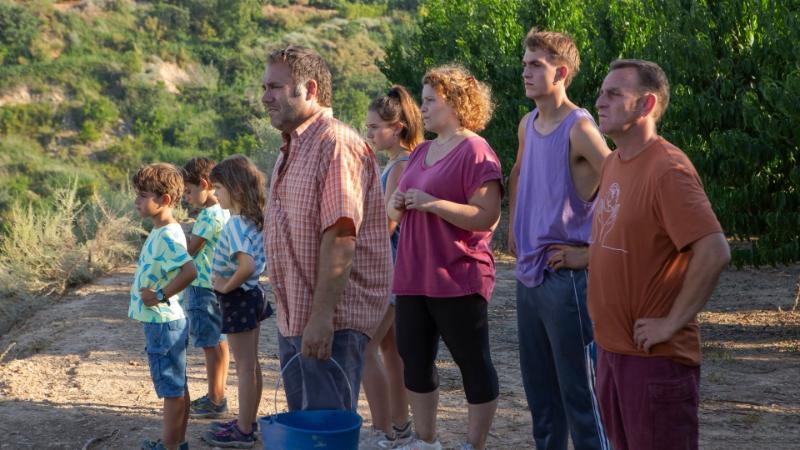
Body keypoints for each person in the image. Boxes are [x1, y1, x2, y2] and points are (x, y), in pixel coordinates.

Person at [589, 59, 731, 450]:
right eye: (601, 92)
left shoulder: (667, 169)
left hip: (655, 360)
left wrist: (670, 323)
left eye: (614, 94)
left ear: (646, 104)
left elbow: (714, 250)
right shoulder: (613, 162)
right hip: (611, 352)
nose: (600, 101)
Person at [261, 46, 391, 413]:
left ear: (310, 89)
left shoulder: (336, 144)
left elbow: (341, 237)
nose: (265, 97)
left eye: (275, 87)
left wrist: (321, 319)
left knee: (325, 428)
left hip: (331, 322)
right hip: (296, 318)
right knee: (306, 429)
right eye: (265, 88)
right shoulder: (292, 147)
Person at [387, 65, 502, 450]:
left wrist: (433, 203)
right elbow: (392, 210)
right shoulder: (421, 151)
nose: (422, 108)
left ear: (454, 102)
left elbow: (487, 216)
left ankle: (474, 444)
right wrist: (398, 202)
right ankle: (426, 441)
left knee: (473, 362)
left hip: (457, 276)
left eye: (429, 100)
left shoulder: (476, 150)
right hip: (412, 275)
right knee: (414, 359)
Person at [506, 29, 611, 450]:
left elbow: (624, 189)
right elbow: (518, 172)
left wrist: (590, 254)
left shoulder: (579, 128)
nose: (525, 72)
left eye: (536, 65)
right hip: (529, 274)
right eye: (524, 64)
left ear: (561, 72)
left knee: (581, 399)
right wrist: (515, 225)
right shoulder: (527, 124)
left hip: (566, 280)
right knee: (543, 403)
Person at [360, 85, 422, 449]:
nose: (369, 133)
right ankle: (399, 426)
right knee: (391, 351)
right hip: (397, 270)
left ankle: (382, 430)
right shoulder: (399, 161)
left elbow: (388, 223)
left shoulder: (401, 164)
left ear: (396, 127)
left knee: (363, 348)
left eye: (374, 127)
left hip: (389, 270)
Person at [201, 155, 269, 449]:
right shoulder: (253, 219)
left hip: (238, 298)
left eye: (218, 188)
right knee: (251, 365)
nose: (215, 194)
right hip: (251, 295)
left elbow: (247, 265)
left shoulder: (236, 224)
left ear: (236, 189)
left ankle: (243, 431)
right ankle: (248, 421)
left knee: (244, 368)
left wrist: (225, 287)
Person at [130, 163, 197, 450]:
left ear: (165, 200)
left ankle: (169, 446)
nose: (137, 201)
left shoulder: (168, 234)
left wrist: (159, 295)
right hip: (166, 322)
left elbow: (189, 271)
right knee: (177, 385)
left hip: (163, 322)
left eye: (143, 196)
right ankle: (177, 442)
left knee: (171, 388)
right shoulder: (162, 230)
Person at [181, 157, 231, 419]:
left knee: (210, 345)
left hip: (202, 287)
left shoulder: (208, 216)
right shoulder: (224, 209)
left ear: (203, 184)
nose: (187, 198)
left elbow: (189, 251)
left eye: (189, 191)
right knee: (220, 342)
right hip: (218, 285)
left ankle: (215, 399)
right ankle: (217, 395)